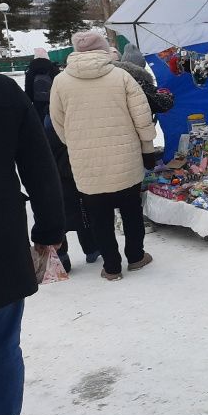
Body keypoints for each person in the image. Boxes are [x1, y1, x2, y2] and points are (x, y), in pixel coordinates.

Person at [0, 72, 65, 415]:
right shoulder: (2, 91)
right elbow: (40, 167)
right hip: (0, 250)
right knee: (2, 351)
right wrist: (49, 230)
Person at [49, 31, 156, 281]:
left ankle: (111, 267)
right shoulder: (121, 76)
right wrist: (148, 150)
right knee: (131, 212)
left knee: (99, 218)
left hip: (87, 166)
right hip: (125, 160)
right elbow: (142, 118)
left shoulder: (61, 81)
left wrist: (76, 144)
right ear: (104, 48)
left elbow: (58, 123)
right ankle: (136, 256)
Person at [43, 116, 101, 272]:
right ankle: (91, 249)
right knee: (83, 212)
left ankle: (63, 260)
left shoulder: (46, 123)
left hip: (53, 177)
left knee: (60, 217)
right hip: (72, 173)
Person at [114, 43, 175, 119]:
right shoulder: (142, 84)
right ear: (141, 65)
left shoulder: (118, 81)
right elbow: (162, 105)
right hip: (140, 125)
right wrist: (168, 96)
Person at [23, 48, 59, 122]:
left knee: (39, 121)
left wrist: (29, 101)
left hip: (37, 101)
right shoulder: (53, 68)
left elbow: (28, 88)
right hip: (52, 101)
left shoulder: (30, 69)